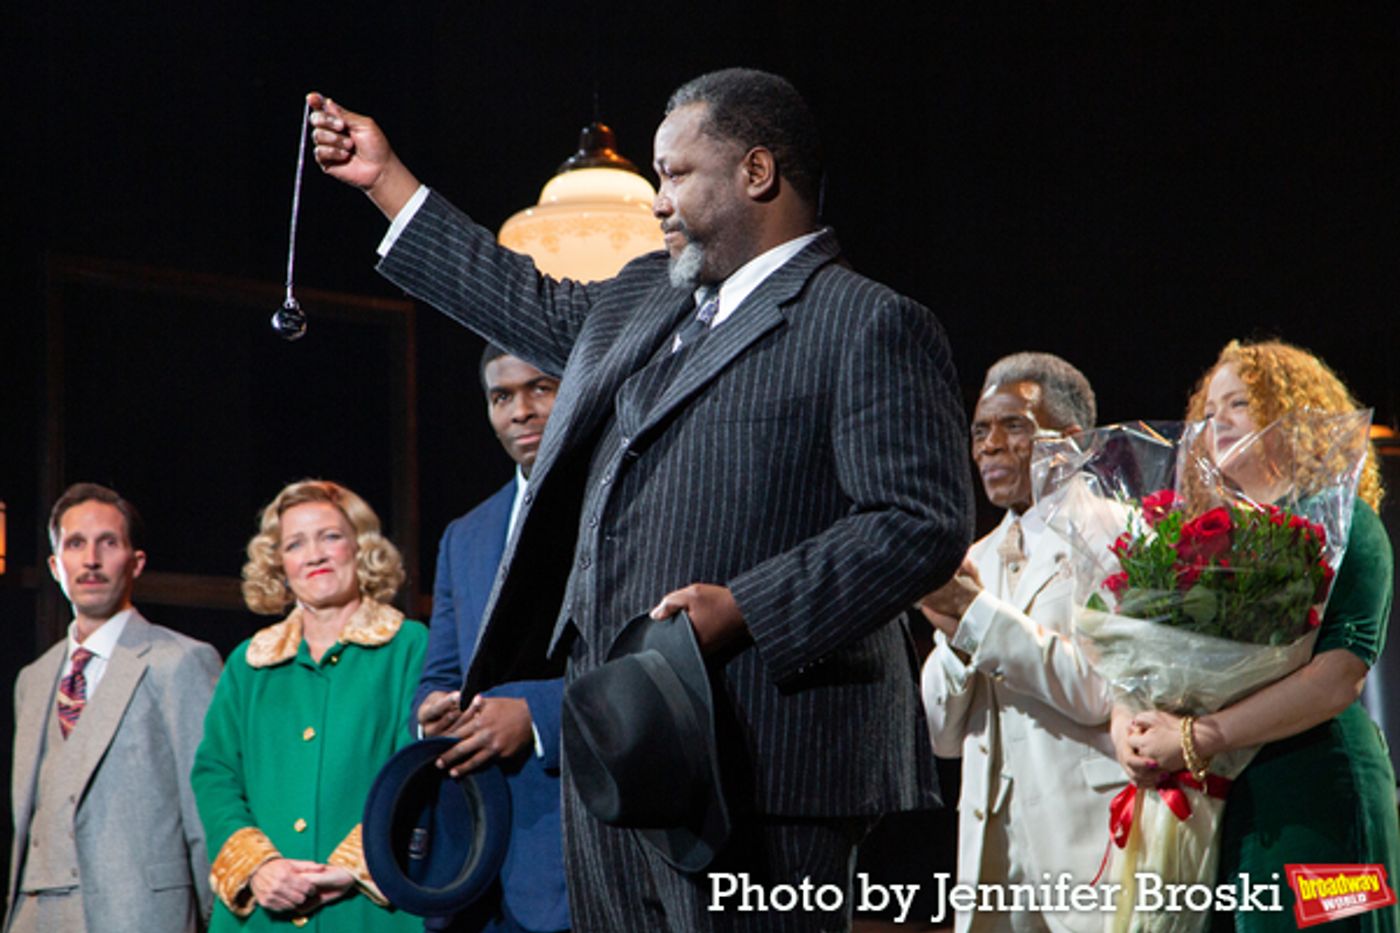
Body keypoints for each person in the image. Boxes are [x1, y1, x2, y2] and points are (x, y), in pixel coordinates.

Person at [310, 67, 973, 931]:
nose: (657, 201)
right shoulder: (644, 296)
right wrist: (386, 182)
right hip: (618, 746)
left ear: (757, 172)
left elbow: (919, 522)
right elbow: (516, 297)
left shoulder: (866, 321)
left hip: (760, 757)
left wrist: (745, 606)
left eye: (675, 174)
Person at [1114, 339, 1399, 933]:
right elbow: (1136, 655)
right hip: (1218, 799)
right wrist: (1130, 726)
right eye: (1208, 410)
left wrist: (1194, 738)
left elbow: (1338, 678)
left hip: (1317, 790)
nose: (1217, 420)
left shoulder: (1347, 523)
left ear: (1293, 418)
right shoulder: (1188, 542)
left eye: (1240, 403)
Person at [920, 353, 1123, 933]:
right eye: (979, 430)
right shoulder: (974, 559)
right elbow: (943, 736)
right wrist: (957, 639)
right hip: (993, 861)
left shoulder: (1119, 533)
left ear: (1074, 442)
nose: (989, 446)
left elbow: (1100, 692)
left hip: (1086, 843)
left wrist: (976, 617)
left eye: (1014, 426)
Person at [191, 480, 427, 932]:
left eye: (330, 537)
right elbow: (215, 774)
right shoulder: (248, 664)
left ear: (360, 548)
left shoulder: (409, 647)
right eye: (295, 544)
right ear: (279, 565)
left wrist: (355, 864)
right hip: (264, 914)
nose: (314, 555)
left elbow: (416, 770)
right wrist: (258, 867)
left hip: (370, 912)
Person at [6, 482, 221, 933]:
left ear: (135, 562)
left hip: (137, 915)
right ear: (55, 566)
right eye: (75, 544)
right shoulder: (33, 679)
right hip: (34, 915)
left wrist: (217, 920)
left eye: (108, 543)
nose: (91, 559)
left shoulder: (180, 662)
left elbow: (206, 809)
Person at [414, 345, 569, 933]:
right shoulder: (465, 534)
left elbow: (643, 669)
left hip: (573, 850)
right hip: (474, 859)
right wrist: (430, 715)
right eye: (501, 397)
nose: (520, 411)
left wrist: (536, 716)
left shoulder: (620, 508)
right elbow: (439, 676)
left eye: (540, 388)